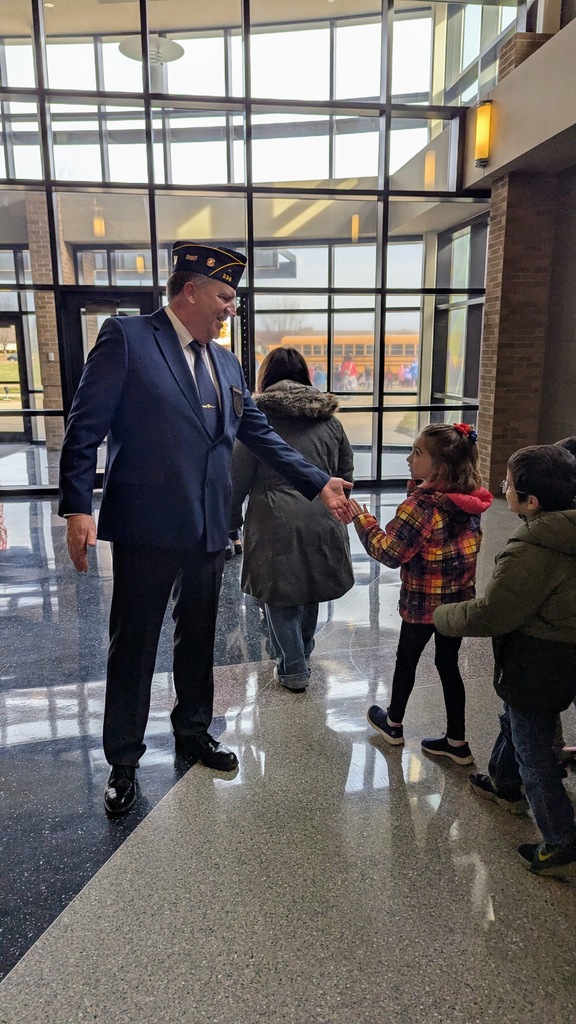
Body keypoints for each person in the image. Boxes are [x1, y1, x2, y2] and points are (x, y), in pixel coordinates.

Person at [58, 242, 352, 815]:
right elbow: (84, 425)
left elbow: (258, 433)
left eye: (233, 299)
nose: (230, 308)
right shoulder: (128, 338)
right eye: (224, 296)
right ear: (189, 290)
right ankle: (123, 760)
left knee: (199, 636)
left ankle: (194, 732)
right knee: (135, 643)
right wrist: (77, 506)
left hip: (211, 524)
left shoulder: (224, 362)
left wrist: (318, 482)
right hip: (146, 523)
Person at [434, 444, 576, 878]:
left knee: (536, 749)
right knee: (514, 718)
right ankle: (503, 782)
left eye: (508, 487)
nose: (503, 491)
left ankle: (561, 842)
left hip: (539, 655)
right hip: (561, 652)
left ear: (530, 502)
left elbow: (495, 612)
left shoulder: (534, 547)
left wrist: (444, 616)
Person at [346, 422, 492, 763]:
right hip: (456, 603)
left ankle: (393, 724)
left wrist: (363, 521)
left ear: (439, 465)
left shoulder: (422, 507)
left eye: (417, 453)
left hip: (423, 604)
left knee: (407, 660)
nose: (409, 459)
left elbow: (390, 552)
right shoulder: (471, 500)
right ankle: (457, 742)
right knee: (448, 664)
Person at [230, 347, 354, 692]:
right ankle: (304, 651)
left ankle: (293, 668)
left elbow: (236, 478)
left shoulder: (259, 423)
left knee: (279, 593)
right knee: (310, 586)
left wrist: (228, 521)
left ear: (265, 378)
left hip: (274, 520)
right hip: (323, 515)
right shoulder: (331, 422)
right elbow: (345, 473)